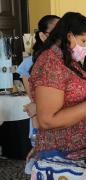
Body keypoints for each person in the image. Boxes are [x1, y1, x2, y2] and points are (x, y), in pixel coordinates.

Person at [28, 12, 86, 159]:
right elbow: (47, 120)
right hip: (59, 150)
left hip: (80, 147)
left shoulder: (67, 60)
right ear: (69, 36)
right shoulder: (50, 64)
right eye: (83, 41)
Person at [17, 15, 60, 152]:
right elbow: (34, 102)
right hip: (45, 126)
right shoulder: (30, 63)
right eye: (54, 32)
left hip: (68, 125)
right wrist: (36, 133)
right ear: (42, 35)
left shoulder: (67, 60)